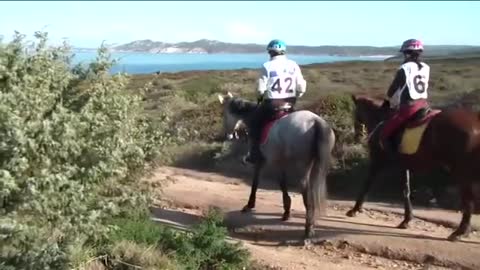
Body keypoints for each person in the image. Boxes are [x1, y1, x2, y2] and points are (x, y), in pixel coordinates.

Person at [243, 39, 307, 164]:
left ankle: (254, 154)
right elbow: (301, 86)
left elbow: (261, 90)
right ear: (283, 52)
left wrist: (260, 98)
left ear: (270, 52)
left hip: (272, 105)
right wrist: (298, 95)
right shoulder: (293, 65)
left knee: (254, 123)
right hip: (290, 103)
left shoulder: (267, 66)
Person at [380, 38, 431, 154]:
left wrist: (387, 101)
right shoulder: (426, 67)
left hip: (410, 107)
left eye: (404, 53)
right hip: (424, 104)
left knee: (385, 133)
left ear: (407, 53)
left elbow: (393, 89)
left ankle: (394, 159)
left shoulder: (405, 68)